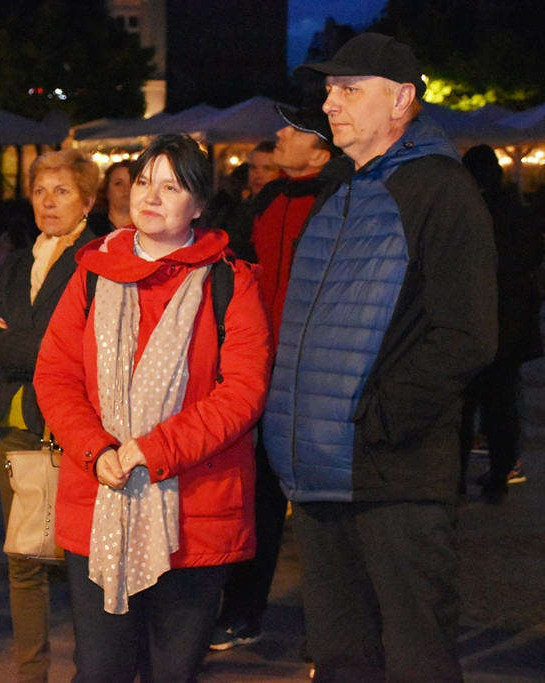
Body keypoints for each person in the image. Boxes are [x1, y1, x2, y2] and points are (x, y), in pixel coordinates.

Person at [264, 34, 498, 680]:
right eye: (329, 90)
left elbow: (467, 334)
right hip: (319, 473)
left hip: (393, 475)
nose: (330, 104)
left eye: (349, 89)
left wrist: (380, 419)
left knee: (418, 656)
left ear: (401, 100)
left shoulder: (440, 191)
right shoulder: (338, 187)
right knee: (341, 655)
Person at [33, 133, 272, 682]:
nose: (151, 196)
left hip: (194, 510)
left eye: (172, 186)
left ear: (199, 203)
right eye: (144, 181)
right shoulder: (92, 271)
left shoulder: (228, 281)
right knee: (101, 668)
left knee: (173, 669)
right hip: (99, 498)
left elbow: (242, 392)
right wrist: (96, 449)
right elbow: (56, 375)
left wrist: (153, 449)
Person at [211, 104, 340, 652]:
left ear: (321, 151)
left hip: (318, 384)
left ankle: (333, 632)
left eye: (296, 129)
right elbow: (229, 260)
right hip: (261, 378)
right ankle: (243, 612)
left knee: (323, 513)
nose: (281, 134)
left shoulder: (342, 198)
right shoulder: (266, 200)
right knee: (257, 501)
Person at [0, 148, 99, 682]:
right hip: (17, 423)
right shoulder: (19, 261)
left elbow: (82, 350)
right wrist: (39, 346)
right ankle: (31, 673)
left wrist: (18, 342)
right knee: (24, 557)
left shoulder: (99, 259)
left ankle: (94, 669)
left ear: (87, 201)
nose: (48, 201)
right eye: (40, 191)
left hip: (75, 426)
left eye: (62, 191)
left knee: (82, 561)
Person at [459, 144, 545, 503]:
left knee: (463, 407)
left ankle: (456, 481)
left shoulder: (464, 213)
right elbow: (535, 255)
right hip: (508, 324)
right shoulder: (515, 212)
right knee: (502, 406)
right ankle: (499, 476)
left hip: (469, 321)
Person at [222, 141, 280, 260]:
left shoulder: (282, 213)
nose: (258, 175)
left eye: (267, 168)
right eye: (253, 168)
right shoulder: (235, 212)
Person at [87, 159, 132, 235]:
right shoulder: (90, 229)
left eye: (132, 183)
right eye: (118, 183)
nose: (126, 189)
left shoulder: (150, 229)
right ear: (106, 190)